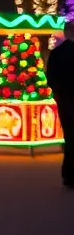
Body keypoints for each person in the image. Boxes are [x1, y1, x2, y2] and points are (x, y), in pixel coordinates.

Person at [45, 21, 74, 187]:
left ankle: (69, 175)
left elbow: (51, 78)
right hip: (66, 98)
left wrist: (58, 94)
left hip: (65, 100)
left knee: (70, 137)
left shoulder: (57, 53)